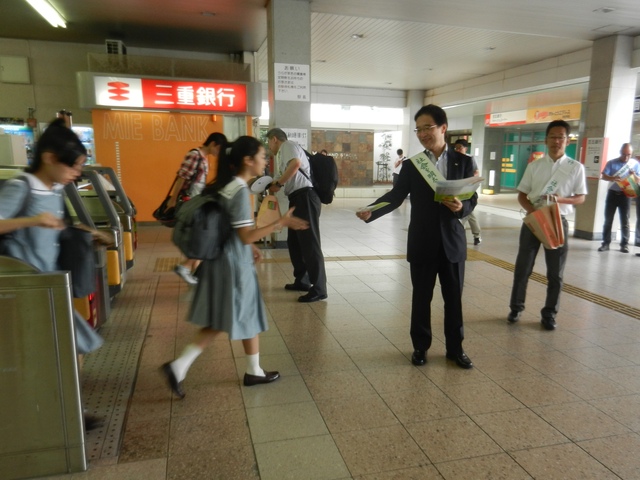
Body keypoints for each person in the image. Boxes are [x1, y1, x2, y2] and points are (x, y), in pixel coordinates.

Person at [161, 136, 309, 399]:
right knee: (245, 314)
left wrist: (248, 245)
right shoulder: (240, 191)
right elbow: (244, 235)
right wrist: (280, 223)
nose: (266, 161)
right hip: (233, 266)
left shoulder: (225, 186)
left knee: (221, 319)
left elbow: (228, 227)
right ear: (247, 160)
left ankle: (182, 366)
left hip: (220, 260)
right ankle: (249, 371)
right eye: (262, 156)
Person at [0, 118, 105, 428]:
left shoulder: (55, 188)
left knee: (76, 343)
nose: (76, 173)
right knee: (58, 347)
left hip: (49, 282)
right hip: (24, 285)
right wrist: (31, 221)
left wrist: (83, 231)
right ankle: (54, 411)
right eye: (72, 166)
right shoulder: (21, 187)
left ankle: (66, 407)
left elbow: (54, 227)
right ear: (48, 158)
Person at [356, 104, 477, 369]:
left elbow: (472, 197)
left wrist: (462, 208)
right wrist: (372, 211)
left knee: (454, 299)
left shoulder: (464, 162)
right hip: (422, 241)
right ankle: (420, 347)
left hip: (453, 243)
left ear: (442, 128)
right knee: (421, 298)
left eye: (427, 128)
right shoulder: (413, 166)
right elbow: (395, 196)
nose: (422, 134)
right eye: (418, 129)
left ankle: (456, 348)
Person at [507, 120, 587, 330]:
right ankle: (516, 308)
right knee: (523, 268)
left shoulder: (575, 168)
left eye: (561, 137)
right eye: (552, 136)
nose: (556, 141)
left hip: (557, 222)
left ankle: (549, 314)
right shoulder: (534, 166)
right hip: (534, 220)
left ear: (567, 140)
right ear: (546, 139)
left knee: (555, 272)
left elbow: (580, 198)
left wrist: (560, 200)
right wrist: (533, 213)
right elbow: (523, 195)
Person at [267, 128, 328, 303]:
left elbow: (295, 165)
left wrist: (278, 183)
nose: (270, 146)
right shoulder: (282, 154)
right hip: (297, 198)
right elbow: (285, 174)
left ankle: (319, 288)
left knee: (310, 243)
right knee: (294, 242)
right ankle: (302, 280)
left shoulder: (287, 145)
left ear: (274, 139)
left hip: (306, 197)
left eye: (269, 142)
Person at [169, 132, 228, 285]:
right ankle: (188, 268)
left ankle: (196, 275)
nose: (218, 153)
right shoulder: (195, 155)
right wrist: (173, 199)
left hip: (197, 202)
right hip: (189, 202)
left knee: (201, 238)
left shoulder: (204, 158)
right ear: (213, 144)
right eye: (219, 149)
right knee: (203, 238)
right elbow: (182, 177)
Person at [597, 143, 638, 253]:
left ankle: (624, 244)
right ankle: (605, 243)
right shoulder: (612, 163)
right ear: (620, 152)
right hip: (612, 194)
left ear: (631, 154)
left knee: (625, 220)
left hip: (626, 195)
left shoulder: (634, 164)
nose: (626, 157)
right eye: (623, 154)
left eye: (628, 155)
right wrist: (613, 178)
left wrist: (633, 175)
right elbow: (604, 176)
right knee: (608, 220)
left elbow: (638, 180)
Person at [454, 139, 482, 245]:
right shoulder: (453, 159)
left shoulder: (469, 159)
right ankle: (476, 236)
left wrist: (467, 181)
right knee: (469, 214)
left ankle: (475, 235)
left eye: (460, 147)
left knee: (466, 213)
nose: (457, 150)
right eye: (456, 148)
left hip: (468, 190)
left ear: (466, 148)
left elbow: (476, 172)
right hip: (458, 190)